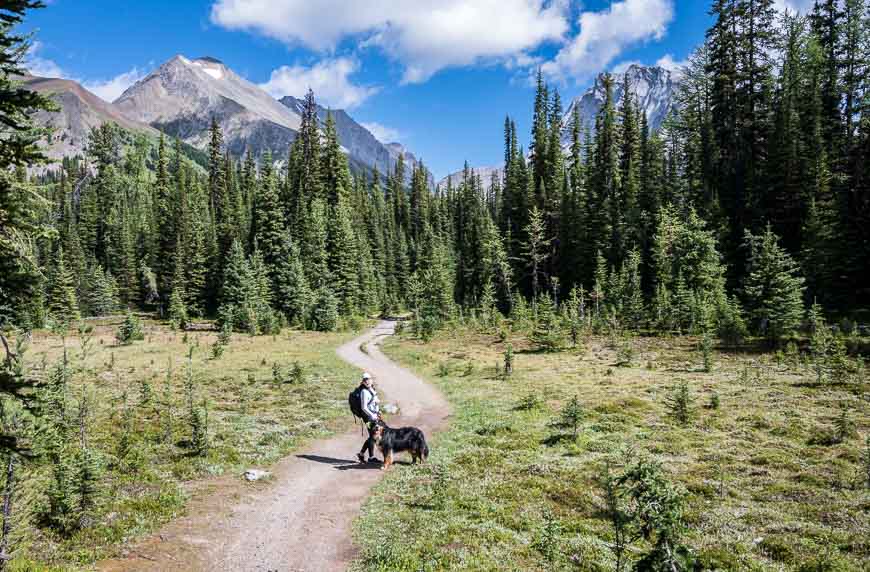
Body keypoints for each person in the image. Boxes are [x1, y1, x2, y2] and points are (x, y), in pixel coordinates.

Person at [356, 372, 381, 464]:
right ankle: (370, 457)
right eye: (365, 380)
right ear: (362, 382)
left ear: (371, 380)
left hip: (374, 415)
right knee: (373, 436)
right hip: (368, 417)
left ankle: (362, 454)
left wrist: (378, 410)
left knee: (373, 436)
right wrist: (371, 415)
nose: (367, 381)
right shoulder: (364, 392)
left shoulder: (372, 389)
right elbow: (364, 407)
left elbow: (374, 402)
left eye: (368, 379)